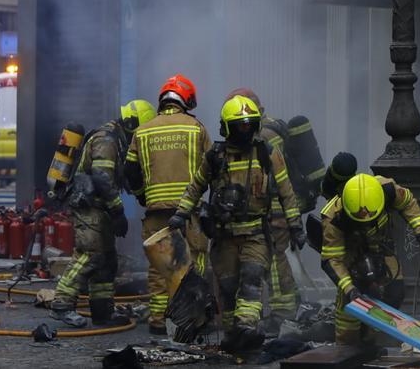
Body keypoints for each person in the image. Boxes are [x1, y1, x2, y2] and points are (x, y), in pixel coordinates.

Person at [168, 95, 304, 351]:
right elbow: (196, 186)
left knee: (251, 282)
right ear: (227, 127)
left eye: (248, 124)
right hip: (224, 236)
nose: (245, 130)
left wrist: (295, 225)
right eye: (239, 125)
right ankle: (233, 337)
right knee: (228, 289)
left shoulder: (267, 153)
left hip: (255, 234)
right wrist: (181, 213)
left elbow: (286, 191)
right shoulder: (215, 156)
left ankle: (247, 326)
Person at [51, 100, 155, 328]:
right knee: (89, 255)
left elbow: (121, 177)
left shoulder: (118, 140)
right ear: (131, 123)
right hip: (90, 207)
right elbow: (101, 177)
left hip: (101, 208)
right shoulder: (106, 140)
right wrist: (119, 210)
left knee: (107, 260)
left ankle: (102, 311)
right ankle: (61, 303)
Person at [124, 75, 211, 334]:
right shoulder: (196, 129)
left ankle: (158, 322)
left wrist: (142, 195)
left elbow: (130, 171)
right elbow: (212, 168)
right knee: (193, 265)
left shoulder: (142, 131)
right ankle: (193, 320)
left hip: (155, 214)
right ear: (185, 100)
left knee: (159, 270)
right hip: (189, 214)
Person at [322, 172, 420, 347]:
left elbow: (408, 203)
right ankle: (347, 347)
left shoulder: (387, 190)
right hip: (352, 253)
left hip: (381, 247)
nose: (366, 222)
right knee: (351, 304)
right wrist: (350, 289)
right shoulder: (334, 218)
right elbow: (333, 259)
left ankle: (374, 340)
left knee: (395, 292)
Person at [224, 88, 300, 331]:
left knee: (276, 260)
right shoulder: (270, 128)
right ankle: (281, 307)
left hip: (273, 208)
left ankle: (282, 311)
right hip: (271, 207)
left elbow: (274, 177)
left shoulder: (265, 136)